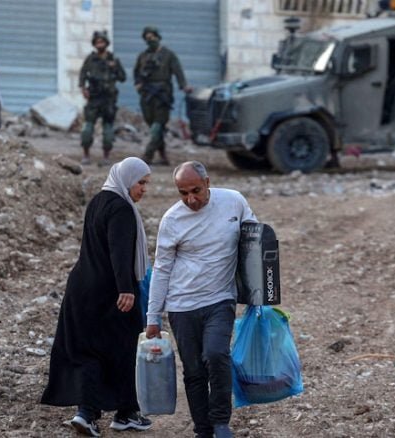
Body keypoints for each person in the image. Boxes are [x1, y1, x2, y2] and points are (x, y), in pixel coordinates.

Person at [41, 157, 154, 437]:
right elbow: (119, 252)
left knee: (88, 351)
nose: (144, 189)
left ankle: (89, 413)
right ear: (127, 180)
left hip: (81, 287)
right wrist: (126, 289)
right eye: (140, 183)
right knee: (124, 348)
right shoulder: (122, 209)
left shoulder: (98, 201)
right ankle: (123, 413)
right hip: (110, 291)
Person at [146, 161, 256, 438]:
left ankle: (220, 422)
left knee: (216, 355)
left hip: (220, 299)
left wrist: (260, 294)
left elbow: (255, 241)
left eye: (196, 191)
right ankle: (203, 430)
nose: (190, 199)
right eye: (183, 193)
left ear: (208, 183)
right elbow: (161, 268)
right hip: (181, 306)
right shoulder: (172, 220)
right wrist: (153, 316)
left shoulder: (233, 202)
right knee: (194, 371)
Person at [134, 26, 192, 166]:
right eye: (147, 38)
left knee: (158, 126)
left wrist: (184, 86)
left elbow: (178, 71)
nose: (150, 40)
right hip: (147, 95)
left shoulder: (168, 55)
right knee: (152, 125)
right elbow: (136, 72)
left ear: (158, 37)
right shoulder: (143, 56)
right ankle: (163, 156)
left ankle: (147, 156)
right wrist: (138, 84)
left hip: (162, 95)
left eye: (153, 37)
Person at [79, 30, 126, 166]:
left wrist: (115, 68)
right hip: (94, 98)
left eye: (102, 41)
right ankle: (86, 154)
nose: (100, 44)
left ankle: (106, 156)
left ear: (106, 43)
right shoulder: (90, 59)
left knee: (108, 131)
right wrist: (83, 88)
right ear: (94, 44)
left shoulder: (113, 60)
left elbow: (122, 77)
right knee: (87, 129)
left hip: (108, 100)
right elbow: (83, 74)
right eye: (97, 42)